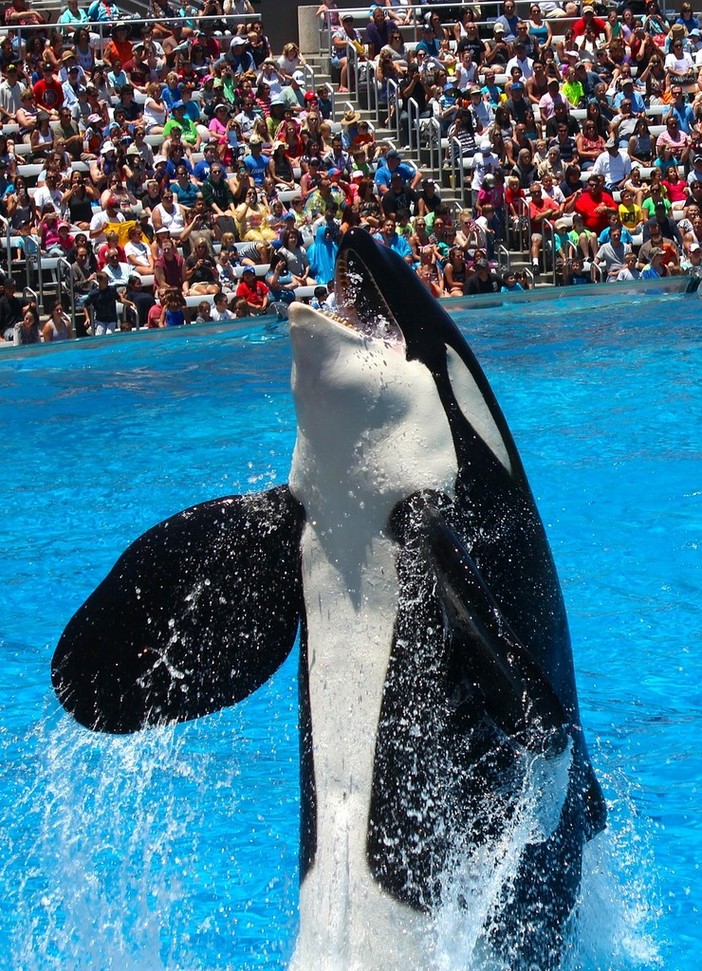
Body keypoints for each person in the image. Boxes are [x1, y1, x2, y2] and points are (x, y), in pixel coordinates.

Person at [83, 271, 135, 336]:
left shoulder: (111, 290)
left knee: (109, 334)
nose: (107, 282)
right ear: (99, 281)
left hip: (111, 319)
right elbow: (85, 305)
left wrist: (131, 303)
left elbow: (120, 299)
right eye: (105, 281)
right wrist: (87, 318)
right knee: (99, 335)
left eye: (107, 280)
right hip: (100, 319)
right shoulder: (94, 294)